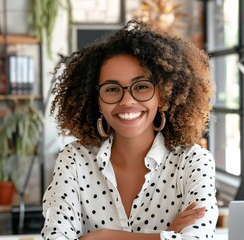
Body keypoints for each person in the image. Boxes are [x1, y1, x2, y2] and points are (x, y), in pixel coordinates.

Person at [41, 20, 218, 240]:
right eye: (112, 89)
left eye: (142, 86)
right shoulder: (74, 160)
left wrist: (102, 236)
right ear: (96, 100)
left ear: (162, 95)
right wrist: (165, 236)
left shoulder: (193, 162)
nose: (127, 101)